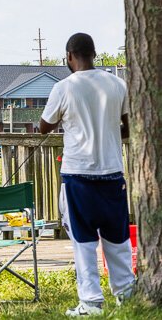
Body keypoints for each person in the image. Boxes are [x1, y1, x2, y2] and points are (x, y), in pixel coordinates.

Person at [39, 33, 134, 316]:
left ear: (69, 56)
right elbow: (127, 127)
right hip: (113, 173)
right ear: (94, 53)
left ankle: (91, 302)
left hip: (78, 175)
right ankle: (126, 294)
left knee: (83, 242)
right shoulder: (118, 84)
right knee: (117, 239)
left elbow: (45, 126)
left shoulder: (63, 88)